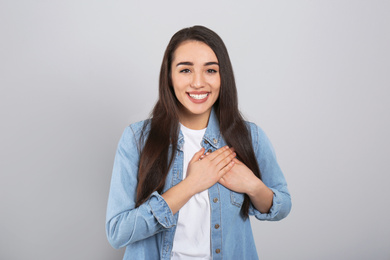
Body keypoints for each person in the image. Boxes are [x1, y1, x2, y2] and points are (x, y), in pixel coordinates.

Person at [106, 25, 291, 260]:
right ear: (169, 77)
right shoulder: (137, 139)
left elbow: (282, 205)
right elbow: (117, 232)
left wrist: (252, 185)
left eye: (210, 71)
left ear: (223, 77)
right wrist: (191, 184)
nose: (198, 83)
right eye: (185, 70)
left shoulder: (249, 136)